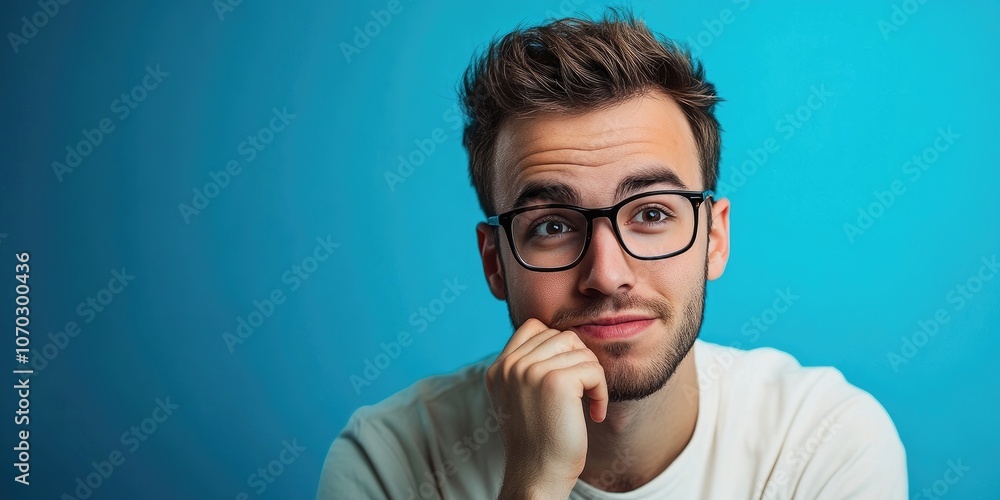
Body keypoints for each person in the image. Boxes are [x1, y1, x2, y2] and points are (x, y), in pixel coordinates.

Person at [318, 8, 907, 499]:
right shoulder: (386, 463)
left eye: (651, 214)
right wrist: (533, 483)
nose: (606, 274)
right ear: (495, 261)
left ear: (715, 239)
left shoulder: (823, 440)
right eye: (552, 226)